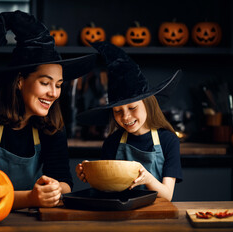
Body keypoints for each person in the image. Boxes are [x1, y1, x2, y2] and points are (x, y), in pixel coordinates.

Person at [0, 10, 96, 209]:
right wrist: (31, 198)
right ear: (20, 81)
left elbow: (65, 183)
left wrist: (56, 188)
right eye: (45, 83)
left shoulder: (51, 123)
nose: (54, 93)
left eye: (58, 85)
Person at [75, 42, 182, 201]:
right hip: (120, 217)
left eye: (132, 108)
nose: (125, 117)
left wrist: (147, 178)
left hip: (156, 217)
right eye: (118, 111)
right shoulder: (112, 142)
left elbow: (167, 195)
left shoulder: (168, 141)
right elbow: (106, 191)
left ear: (147, 103)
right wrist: (91, 174)